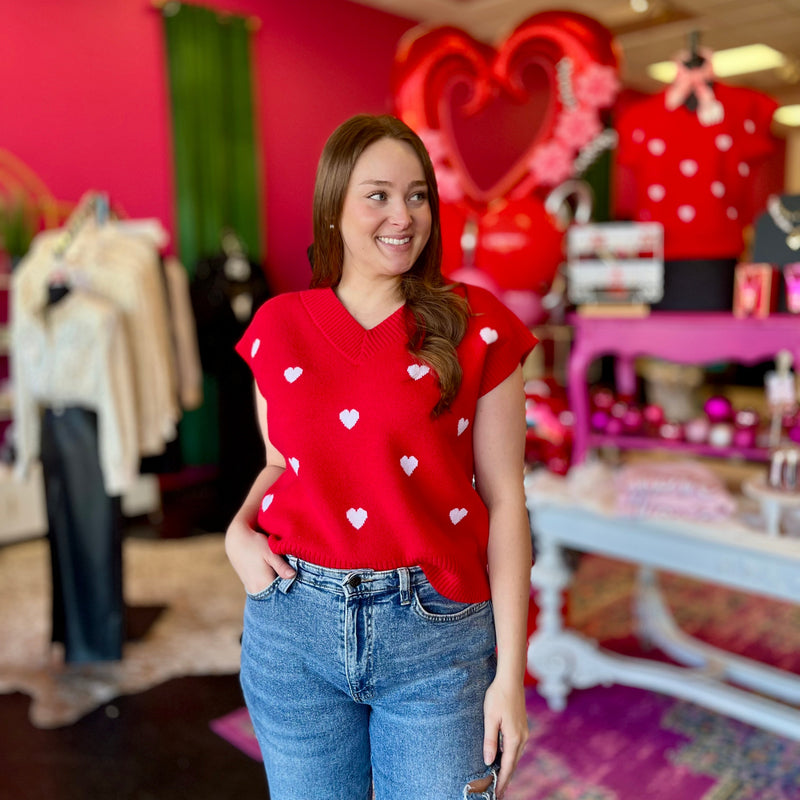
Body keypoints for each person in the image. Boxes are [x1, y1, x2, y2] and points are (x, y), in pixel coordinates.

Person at [225, 113, 537, 800]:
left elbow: (508, 499)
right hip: (292, 623)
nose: (404, 214)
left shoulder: (477, 322)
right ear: (334, 207)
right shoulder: (278, 327)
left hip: (437, 634)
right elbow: (280, 465)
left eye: (418, 194)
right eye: (378, 194)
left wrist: (510, 675)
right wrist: (236, 530)